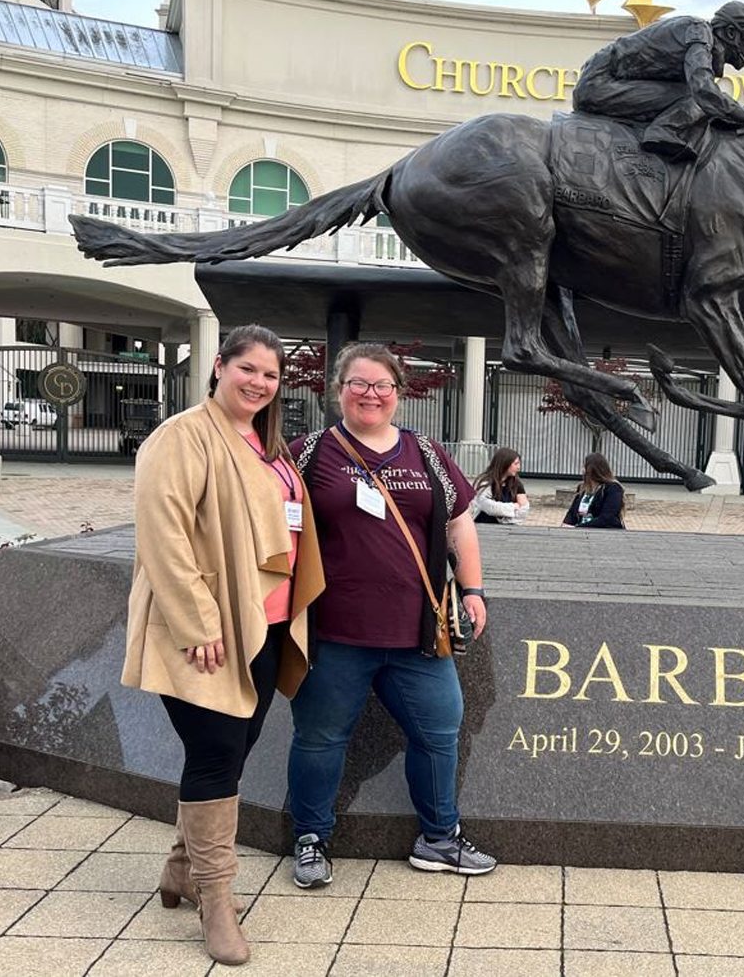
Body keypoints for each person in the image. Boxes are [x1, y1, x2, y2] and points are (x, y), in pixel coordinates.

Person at [125, 324, 324, 966]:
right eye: (250, 370)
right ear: (219, 366)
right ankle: (218, 900)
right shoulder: (180, 437)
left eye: (271, 375)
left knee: (234, 750)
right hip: (206, 632)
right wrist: (197, 623)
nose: (260, 383)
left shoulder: (269, 444)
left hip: (264, 627)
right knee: (213, 754)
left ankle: (183, 866)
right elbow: (164, 536)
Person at [286, 342, 496, 886]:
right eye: (358, 383)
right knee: (320, 738)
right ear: (338, 390)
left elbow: (459, 525)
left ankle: (438, 838)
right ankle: (310, 839)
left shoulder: (426, 454)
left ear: (399, 394)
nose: (370, 394)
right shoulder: (308, 453)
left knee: (439, 732)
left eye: (382, 385)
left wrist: (472, 589)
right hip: (334, 634)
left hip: (417, 635)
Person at [572, 0, 744, 161]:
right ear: (730, 33)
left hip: (609, 83)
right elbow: (703, 91)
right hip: (598, 85)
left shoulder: (700, 38)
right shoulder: (699, 32)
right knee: (695, 96)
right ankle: (662, 131)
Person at [563, 452, 627, 529]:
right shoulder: (582, 488)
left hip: (604, 533)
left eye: (584, 466)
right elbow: (571, 514)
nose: (582, 470)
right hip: (580, 533)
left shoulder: (613, 488)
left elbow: (607, 518)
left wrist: (578, 527)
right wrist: (565, 526)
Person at [471, 447, 530, 525]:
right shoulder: (486, 482)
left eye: (519, 463)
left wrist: (504, 518)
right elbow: (487, 506)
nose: (518, 467)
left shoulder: (516, 482)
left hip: (509, 527)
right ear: (505, 464)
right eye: (516, 464)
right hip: (483, 525)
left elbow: (524, 508)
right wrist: (513, 507)